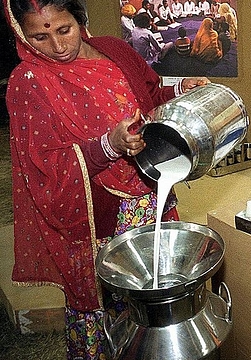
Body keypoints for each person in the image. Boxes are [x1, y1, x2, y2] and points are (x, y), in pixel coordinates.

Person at [4, 0, 209, 358]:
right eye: (40, 37)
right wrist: (108, 146)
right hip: (99, 213)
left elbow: (148, 99)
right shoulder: (29, 83)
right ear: (22, 35)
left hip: (148, 192)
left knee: (154, 298)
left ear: (79, 20)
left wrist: (178, 91)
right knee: (110, 309)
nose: (57, 46)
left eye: (64, 29)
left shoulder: (113, 49)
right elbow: (45, 168)